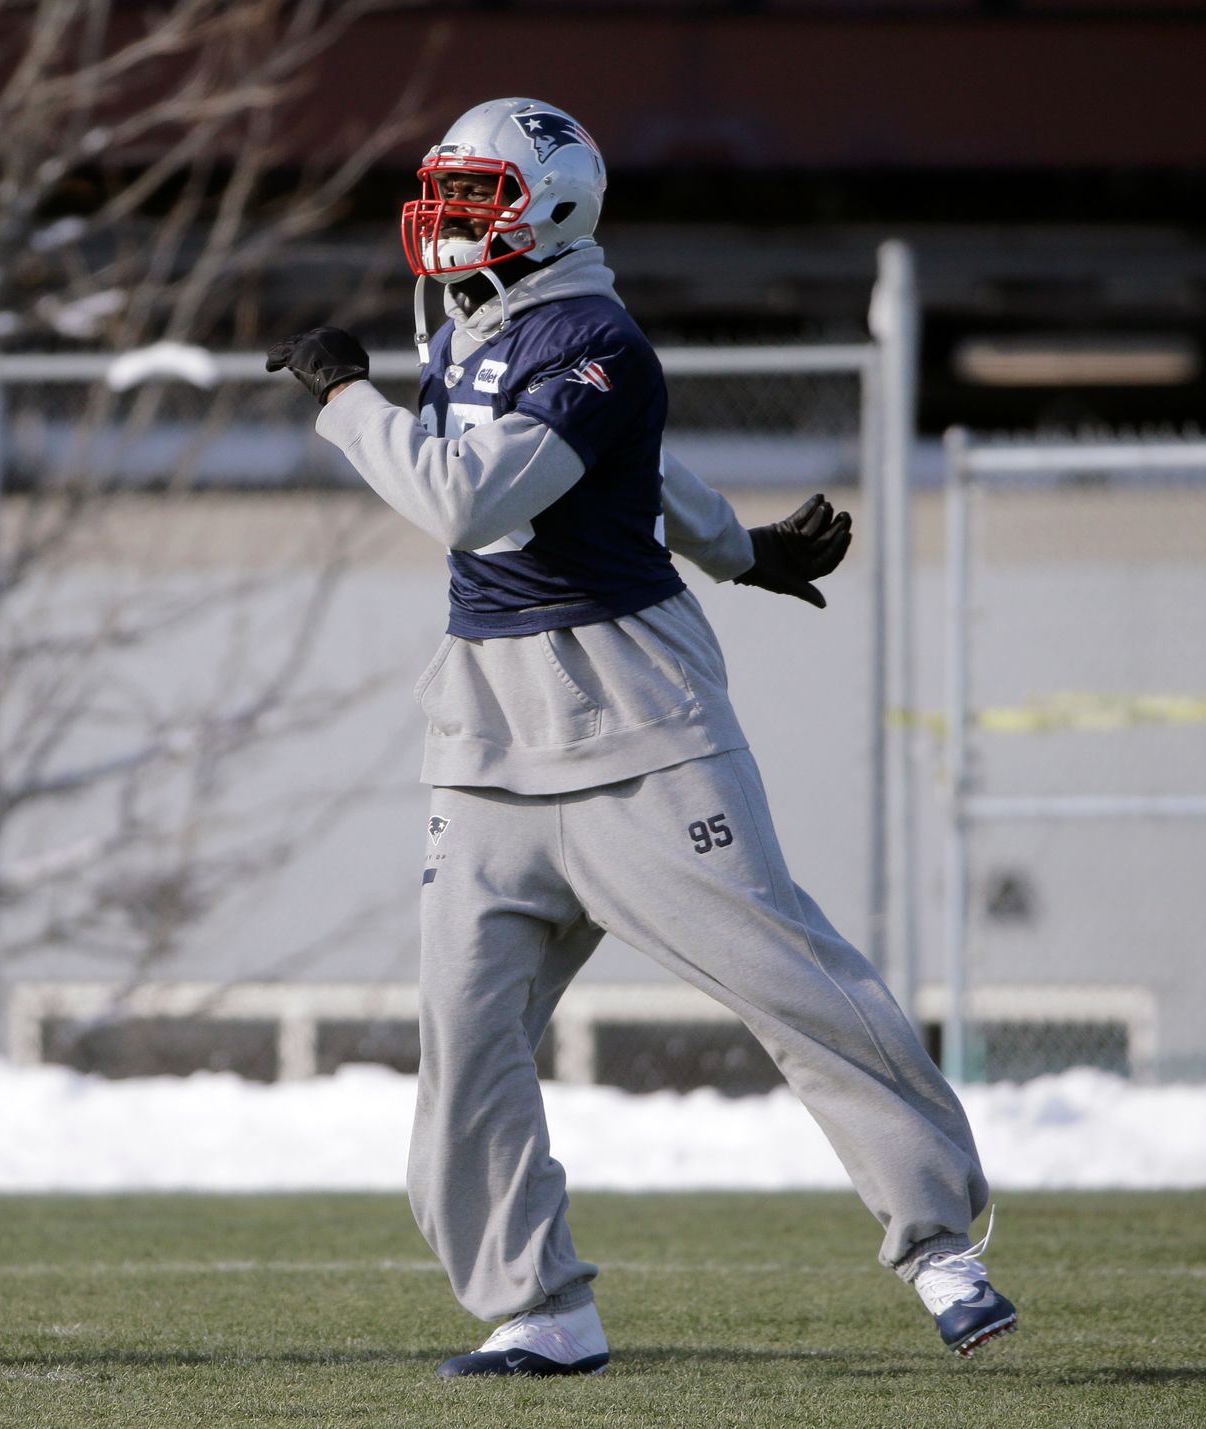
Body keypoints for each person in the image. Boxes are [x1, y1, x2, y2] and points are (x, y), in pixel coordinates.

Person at [267, 97, 1013, 1378]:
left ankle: (940, 1236)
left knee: (784, 974)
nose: (447, 219)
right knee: (465, 1037)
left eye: (476, 195)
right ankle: (541, 1305)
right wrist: (743, 550)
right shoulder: (476, 326)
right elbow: (649, 477)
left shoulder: (592, 336)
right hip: (489, 737)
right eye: (444, 193)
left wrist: (343, 402)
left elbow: (469, 494)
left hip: (634, 726)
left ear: (550, 205)